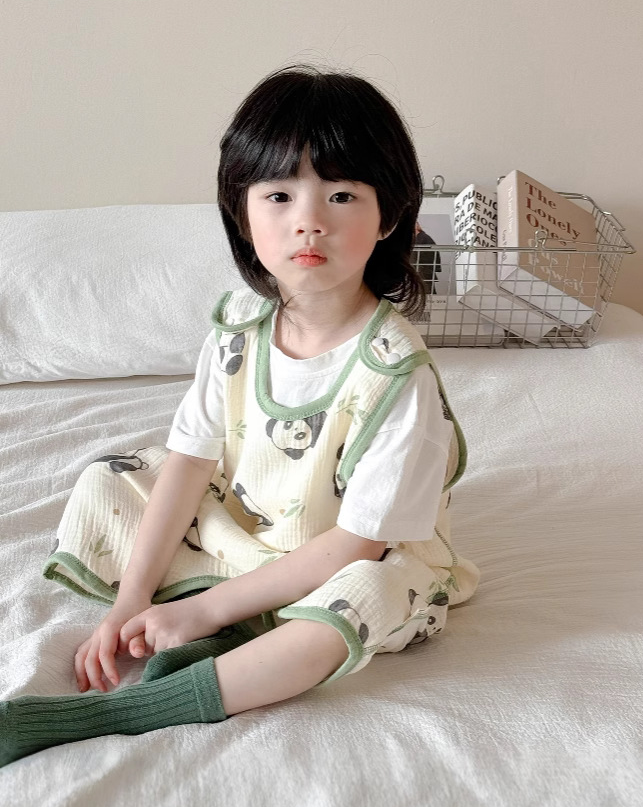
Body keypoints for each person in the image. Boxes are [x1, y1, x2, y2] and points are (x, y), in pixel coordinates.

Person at [1, 64, 479, 768]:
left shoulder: (395, 374)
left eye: (342, 194)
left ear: (389, 216)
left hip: (350, 551)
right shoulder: (237, 328)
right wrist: (130, 601)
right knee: (113, 478)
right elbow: (192, 461)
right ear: (241, 214)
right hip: (250, 522)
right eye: (279, 194)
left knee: (359, 603)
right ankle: (231, 616)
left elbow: (357, 543)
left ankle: (133, 707)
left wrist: (200, 610)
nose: (308, 220)